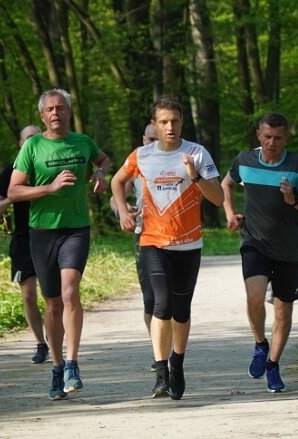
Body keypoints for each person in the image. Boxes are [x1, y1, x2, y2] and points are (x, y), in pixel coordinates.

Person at [110, 96, 223, 400]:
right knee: (161, 305)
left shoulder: (197, 154)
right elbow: (116, 182)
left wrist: (195, 177)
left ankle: (178, 363)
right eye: (163, 122)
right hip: (152, 241)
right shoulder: (141, 155)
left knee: (181, 311)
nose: (169, 127)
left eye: (174, 121)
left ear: (182, 122)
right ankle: (161, 374)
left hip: (188, 244)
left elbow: (218, 198)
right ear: (155, 125)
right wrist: (123, 211)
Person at [8, 89, 111, 400]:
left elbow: (104, 159)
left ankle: (72, 363)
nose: (56, 113)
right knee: (52, 303)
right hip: (42, 232)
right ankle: (56, 366)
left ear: (69, 112)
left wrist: (100, 172)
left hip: (75, 229)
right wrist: (49, 188)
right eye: (50, 109)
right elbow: (14, 191)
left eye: (61, 108)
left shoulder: (82, 142)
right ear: (43, 116)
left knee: (70, 292)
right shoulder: (33, 148)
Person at [221, 112, 298, 393]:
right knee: (254, 298)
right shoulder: (244, 161)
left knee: (283, 311)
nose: (271, 143)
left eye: (278, 138)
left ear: (285, 138)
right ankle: (259, 344)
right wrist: (230, 212)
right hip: (254, 243)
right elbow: (226, 183)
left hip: (288, 248)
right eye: (267, 136)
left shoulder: (296, 166)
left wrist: (294, 200)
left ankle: (273, 365)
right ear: (259, 134)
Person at [0, 124, 48, 364]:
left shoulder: (48, 167)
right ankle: (40, 343)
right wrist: (11, 199)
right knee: (29, 295)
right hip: (23, 239)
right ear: (20, 144)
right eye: (28, 138)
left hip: (49, 236)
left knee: (55, 295)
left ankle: (57, 339)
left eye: (37, 137)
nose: (33, 142)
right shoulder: (11, 171)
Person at [109, 123, 159, 372]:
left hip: (174, 239)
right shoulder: (137, 160)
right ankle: (159, 353)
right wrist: (122, 210)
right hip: (143, 235)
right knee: (150, 299)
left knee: (170, 299)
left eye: (158, 139)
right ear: (143, 138)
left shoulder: (178, 159)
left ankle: (170, 350)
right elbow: (115, 193)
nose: (154, 144)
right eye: (150, 139)